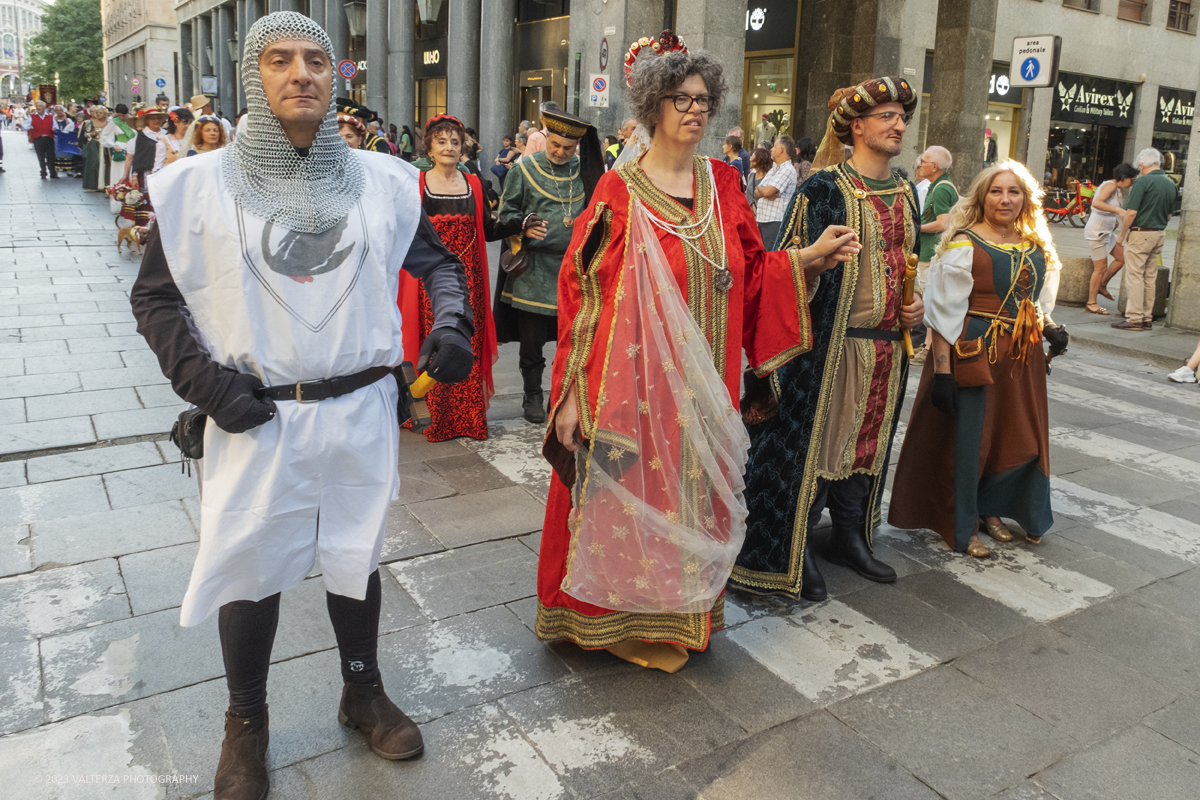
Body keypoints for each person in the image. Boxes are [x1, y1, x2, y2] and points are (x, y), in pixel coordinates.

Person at [132, 12, 473, 799]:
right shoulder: (197, 185)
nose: (301, 74)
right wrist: (208, 386)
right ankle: (245, 722)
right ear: (257, 75)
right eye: (281, 60)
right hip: (258, 415)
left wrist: (450, 322)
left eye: (316, 59)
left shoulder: (382, 181)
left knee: (357, 552)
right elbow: (155, 298)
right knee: (250, 564)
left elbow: (439, 264)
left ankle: (362, 690)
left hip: (358, 410)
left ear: (336, 75)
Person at [537, 33, 858, 674]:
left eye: (704, 99)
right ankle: (614, 618)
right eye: (680, 98)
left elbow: (751, 270)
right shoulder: (617, 190)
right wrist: (571, 392)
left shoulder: (725, 184)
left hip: (706, 385)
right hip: (628, 388)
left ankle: (679, 618)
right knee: (631, 499)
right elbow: (582, 294)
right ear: (654, 105)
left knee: (691, 500)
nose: (694, 109)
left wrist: (804, 261)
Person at [732, 76, 926, 602]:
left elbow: (910, 264)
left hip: (885, 346)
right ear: (856, 126)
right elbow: (787, 265)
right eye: (885, 116)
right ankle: (796, 545)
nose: (897, 124)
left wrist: (915, 308)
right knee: (816, 445)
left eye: (901, 116)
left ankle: (848, 538)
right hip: (829, 348)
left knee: (866, 446)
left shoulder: (906, 191)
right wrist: (813, 266)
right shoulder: (823, 188)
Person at [890, 161, 1066, 556]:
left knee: (1014, 434)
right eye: (996, 191)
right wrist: (943, 372)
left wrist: (1049, 325)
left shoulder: (1036, 243)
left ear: (1026, 198)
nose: (1005, 199)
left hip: (1022, 354)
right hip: (974, 350)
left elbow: (1035, 300)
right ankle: (963, 521)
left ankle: (993, 509)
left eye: (1014, 192)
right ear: (982, 197)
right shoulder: (963, 243)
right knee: (972, 438)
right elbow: (940, 315)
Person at [397, 115, 541, 441]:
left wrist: (519, 224)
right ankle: (436, 415)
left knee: (466, 343)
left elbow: (488, 229)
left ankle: (467, 417)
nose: (449, 147)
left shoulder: (474, 184)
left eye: (455, 142)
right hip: (429, 285)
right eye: (441, 141)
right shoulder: (416, 184)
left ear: (463, 148)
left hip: (470, 281)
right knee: (435, 344)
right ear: (430, 148)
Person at [495, 107, 605, 424]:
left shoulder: (584, 171)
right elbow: (505, 215)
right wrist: (524, 225)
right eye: (555, 145)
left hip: (573, 273)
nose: (559, 152)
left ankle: (563, 397)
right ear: (545, 138)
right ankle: (532, 395)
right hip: (533, 271)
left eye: (567, 148)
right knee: (532, 344)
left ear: (578, 147)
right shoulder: (523, 168)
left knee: (572, 343)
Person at [1111, 149, 1175, 331]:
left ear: (1142, 165)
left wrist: (1122, 235)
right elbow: (1169, 215)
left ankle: (1135, 318)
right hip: (1159, 234)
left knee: (1135, 276)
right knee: (1149, 276)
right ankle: (1147, 317)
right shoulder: (1171, 184)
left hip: (1141, 233)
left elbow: (1131, 213)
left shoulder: (1143, 182)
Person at [1083, 163, 1137, 315]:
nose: (1132, 183)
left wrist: (1114, 219)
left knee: (1122, 256)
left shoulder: (1115, 188)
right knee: (1100, 268)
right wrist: (1117, 210)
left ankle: (1102, 285)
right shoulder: (1110, 186)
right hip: (1098, 232)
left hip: (1106, 231)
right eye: (1131, 180)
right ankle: (1091, 303)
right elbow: (1096, 203)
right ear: (1124, 178)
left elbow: (1105, 207)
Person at [752, 135, 797, 247]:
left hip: (775, 221)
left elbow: (767, 191)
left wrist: (765, 191)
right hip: (763, 219)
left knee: (770, 257)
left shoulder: (787, 169)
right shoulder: (774, 169)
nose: (771, 149)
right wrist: (764, 191)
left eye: (774, 146)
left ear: (781, 149)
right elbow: (756, 193)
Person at [129, 107, 166, 198]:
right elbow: (138, 157)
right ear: (146, 121)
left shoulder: (166, 133)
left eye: (158, 118)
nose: (156, 120)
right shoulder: (142, 135)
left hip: (164, 170)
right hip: (146, 172)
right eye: (153, 118)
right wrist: (134, 176)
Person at [99, 103, 137, 184]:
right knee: (119, 173)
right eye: (119, 115)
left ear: (128, 112)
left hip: (133, 150)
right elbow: (104, 136)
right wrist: (114, 145)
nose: (121, 118)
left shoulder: (135, 121)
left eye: (123, 115)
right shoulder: (115, 122)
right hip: (120, 150)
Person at [21, 101, 57, 178]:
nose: (38, 108)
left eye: (40, 106)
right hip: (38, 139)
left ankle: (52, 172)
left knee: (51, 156)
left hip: (49, 138)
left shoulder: (51, 116)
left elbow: (55, 126)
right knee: (40, 156)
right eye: (37, 106)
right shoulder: (32, 116)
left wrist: (55, 128)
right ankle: (43, 172)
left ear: (44, 107)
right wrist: (22, 127)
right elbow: (26, 126)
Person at [154, 108, 194, 172]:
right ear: (175, 122)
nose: (188, 126)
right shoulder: (165, 140)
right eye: (185, 122)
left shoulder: (194, 139)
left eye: (190, 123)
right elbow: (158, 165)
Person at [80, 105, 108, 191]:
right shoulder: (89, 122)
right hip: (94, 144)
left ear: (105, 114)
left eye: (100, 112)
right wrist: (91, 134)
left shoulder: (109, 123)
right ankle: (92, 184)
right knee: (94, 163)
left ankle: (104, 184)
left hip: (105, 145)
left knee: (105, 164)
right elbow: (85, 135)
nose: (98, 114)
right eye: (97, 112)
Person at [52, 105, 80, 177]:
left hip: (66, 138)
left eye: (60, 110)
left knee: (67, 153)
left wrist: (65, 118)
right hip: (57, 137)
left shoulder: (68, 119)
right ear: (55, 111)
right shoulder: (53, 119)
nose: (59, 112)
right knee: (57, 153)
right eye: (57, 110)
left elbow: (70, 126)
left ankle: (68, 169)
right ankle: (58, 168)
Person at [745, 145, 771, 214]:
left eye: (752, 157)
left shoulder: (768, 178)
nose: (750, 159)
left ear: (759, 160)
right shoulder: (750, 176)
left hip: (760, 215)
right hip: (748, 214)